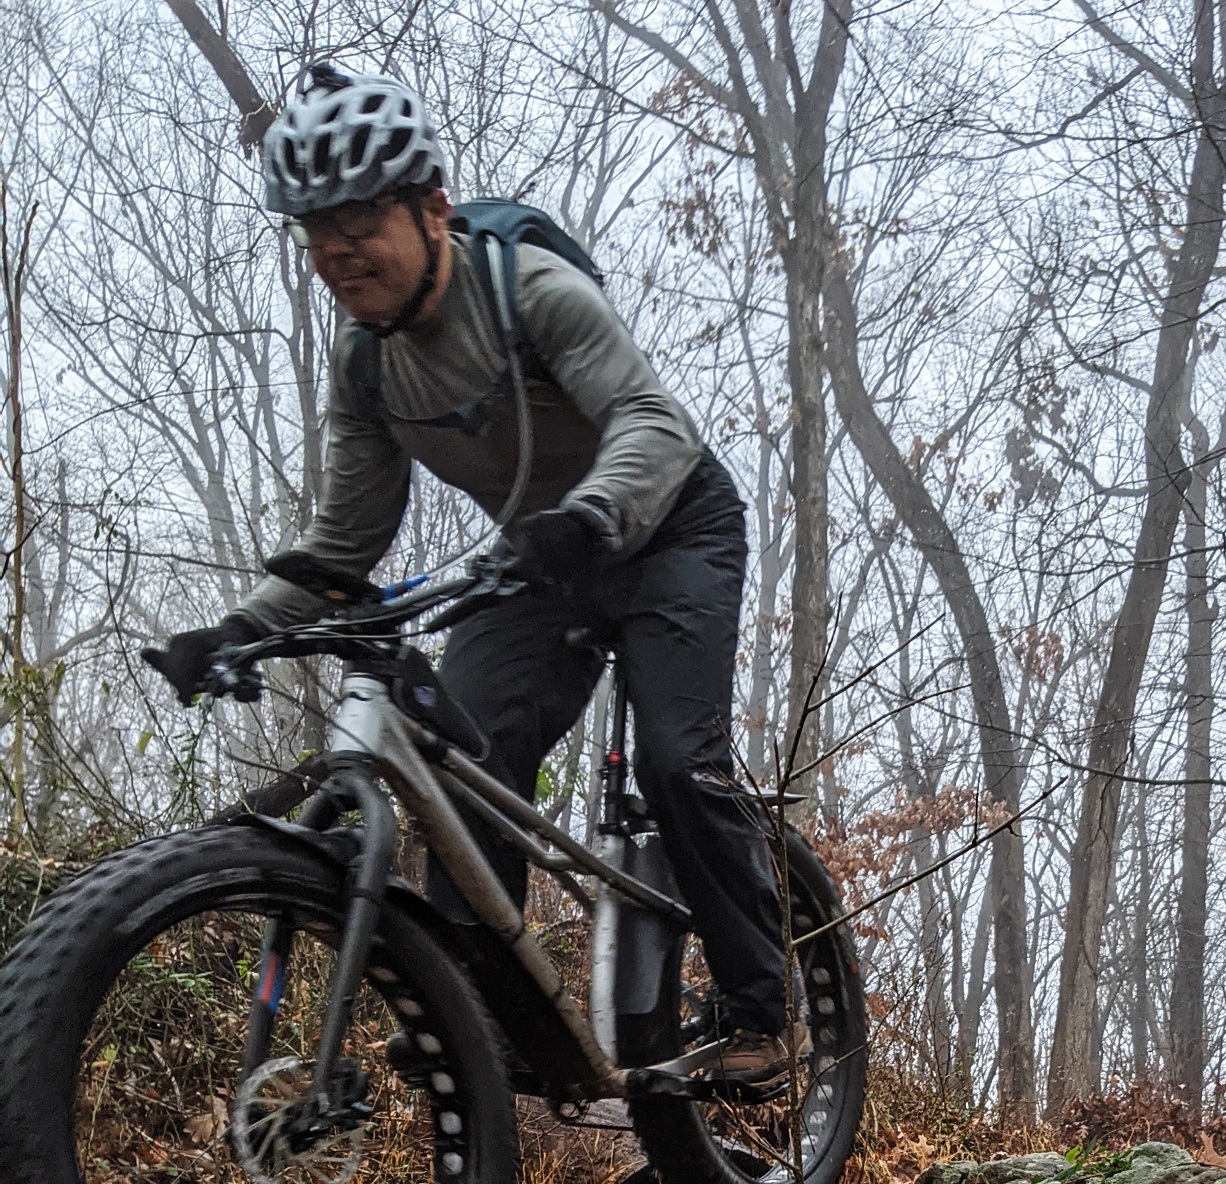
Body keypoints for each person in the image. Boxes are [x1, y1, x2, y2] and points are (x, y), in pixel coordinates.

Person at [157, 63, 801, 1081]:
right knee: (464, 760)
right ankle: (494, 1021)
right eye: (313, 228)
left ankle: (761, 1011)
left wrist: (594, 512)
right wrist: (235, 630)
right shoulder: (366, 364)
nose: (334, 249)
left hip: (668, 523)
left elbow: (651, 421)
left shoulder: (529, 292)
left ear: (432, 206)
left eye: (360, 216)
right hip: (543, 561)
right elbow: (341, 549)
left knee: (680, 762)